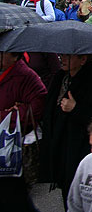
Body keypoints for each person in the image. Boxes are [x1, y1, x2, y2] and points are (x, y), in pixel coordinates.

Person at [40, 53, 92, 207]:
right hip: (59, 143)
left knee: (77, 190)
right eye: (62, 55)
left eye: (68, 56)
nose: (62, 58)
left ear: (83, 60)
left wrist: (75, 109)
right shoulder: (60, 78)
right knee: (66, 192)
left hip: (79, 147)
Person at [0, 51, 47, 212]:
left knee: (13, 193)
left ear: (14, 55)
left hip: (12, 147)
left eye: (2, 53)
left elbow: (38, 104)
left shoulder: (26, 76)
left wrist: (8, 116)